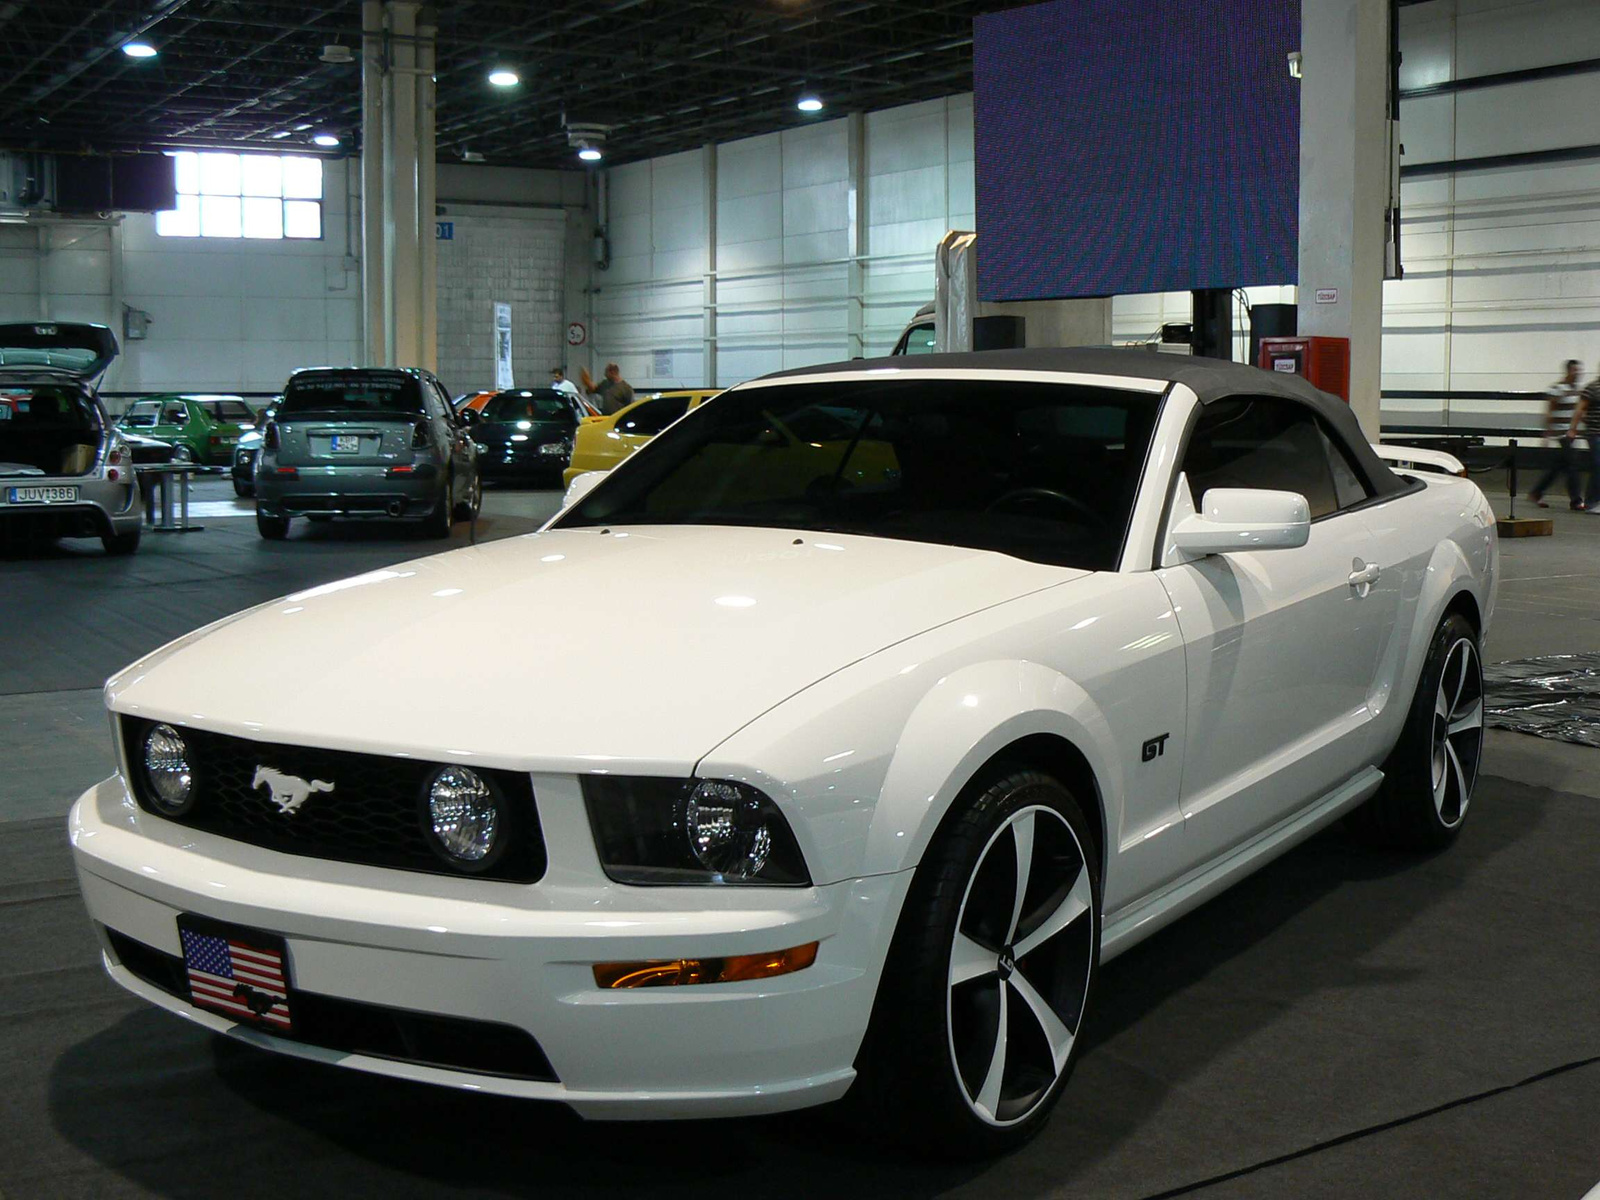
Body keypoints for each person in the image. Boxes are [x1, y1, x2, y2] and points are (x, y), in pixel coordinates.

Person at [1529, 359, 1585, 510]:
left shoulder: (1576, 390)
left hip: (1571, 433)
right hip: (1562, 433)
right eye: (1575, 370)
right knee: (1572, 466)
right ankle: (1576, 500)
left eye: (1579, 370)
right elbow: (1549, 410)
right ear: (1567, 371)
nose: (1578, 373)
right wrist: (1547, 433)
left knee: (1559, 467)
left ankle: (1536, 492)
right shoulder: (1558, 388)